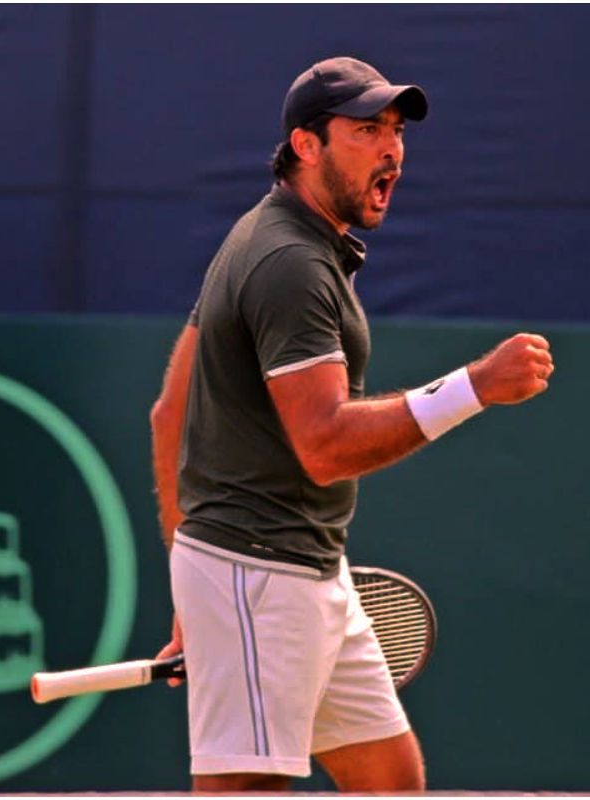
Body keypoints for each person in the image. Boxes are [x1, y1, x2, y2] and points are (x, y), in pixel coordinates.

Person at [150, 57, 555, 792]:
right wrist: (474, 387)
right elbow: (327, 447)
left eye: (396, 131)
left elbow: (167, 411)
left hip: (301, 570)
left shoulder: (273, 238)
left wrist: (191, 584)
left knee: (390, 780)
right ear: (307, 145)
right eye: (367, 130)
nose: (392, 149)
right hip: (256, 569)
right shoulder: (288, 263)